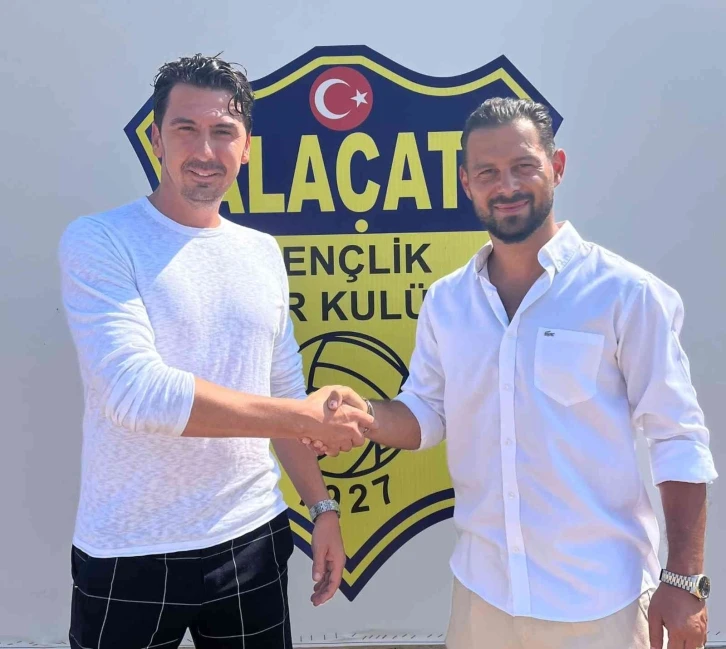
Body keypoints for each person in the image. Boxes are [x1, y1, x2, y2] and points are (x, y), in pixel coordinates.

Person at [314, 97, 718, 649]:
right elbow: (425, 414)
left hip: (603, 602)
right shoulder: (448, 301)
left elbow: (678, 437)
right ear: (466, 183)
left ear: (557, 166)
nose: (506, 186)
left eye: (523, 166)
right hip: (482, 599)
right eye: (487, 172)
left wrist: (685, 579)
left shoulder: (626, 294)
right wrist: (363, 415)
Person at [58, 54, 374, 649]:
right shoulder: (100, 239)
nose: (205, 149)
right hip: (130, 549)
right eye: (185, 129)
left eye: (223, 131)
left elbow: (282, 391)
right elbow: (135, 394)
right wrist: (305, 416)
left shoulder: (261, 252)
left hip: (252, 539)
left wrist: (322, 508)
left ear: (246, 147)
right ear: (156, 140)